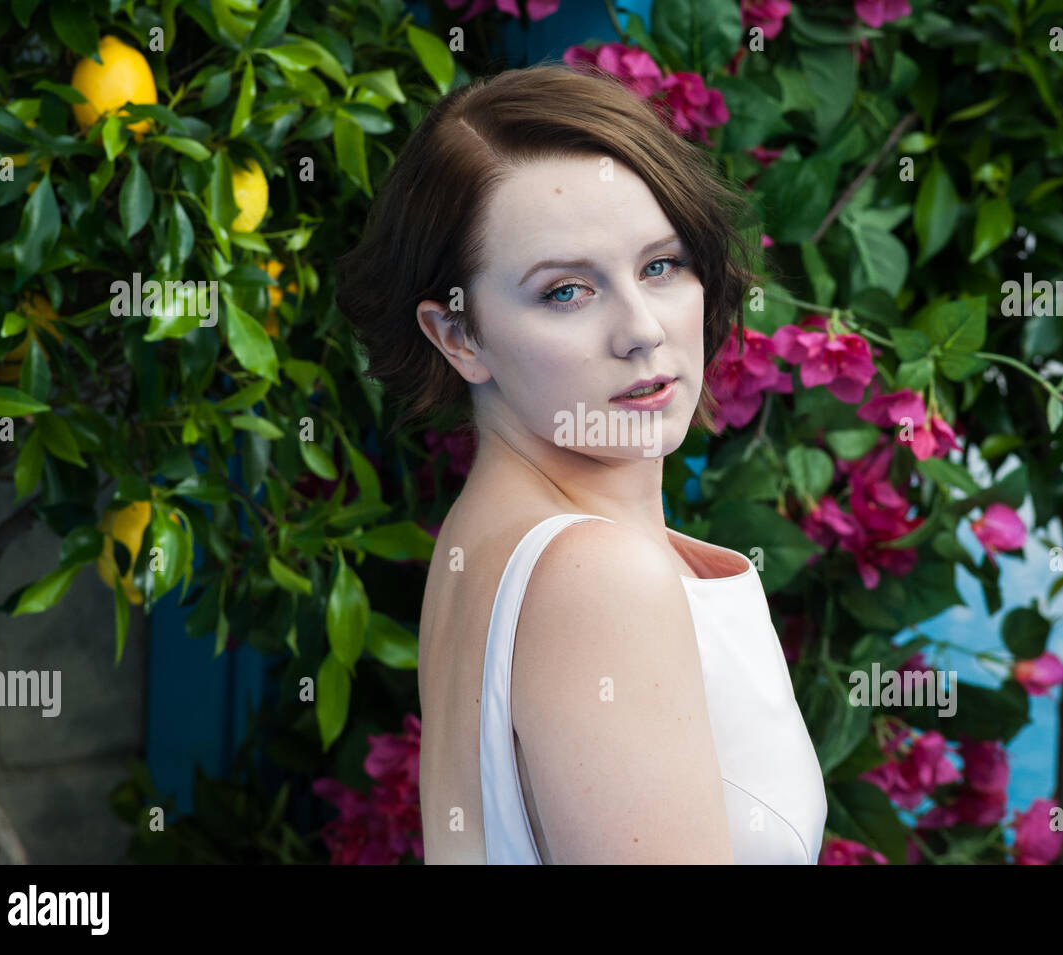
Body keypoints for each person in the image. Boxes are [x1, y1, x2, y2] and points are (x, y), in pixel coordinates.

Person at [336, 60, 825, 864]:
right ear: (458, 336)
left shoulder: (490, 539)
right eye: (566, 291)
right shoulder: (594, 573)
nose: (640, 328)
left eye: (660, 266)